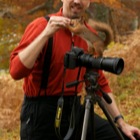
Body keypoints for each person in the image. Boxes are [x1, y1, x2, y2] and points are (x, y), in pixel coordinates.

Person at [9, 0, 140, 140]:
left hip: (74, 111)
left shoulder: (89, 35)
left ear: (89, 2)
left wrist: (121, 122)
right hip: (41, 114)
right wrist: (45, 34)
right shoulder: (41, 26)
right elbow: (16, 71)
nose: (77, 1)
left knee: (125, 138)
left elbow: (98, 81)